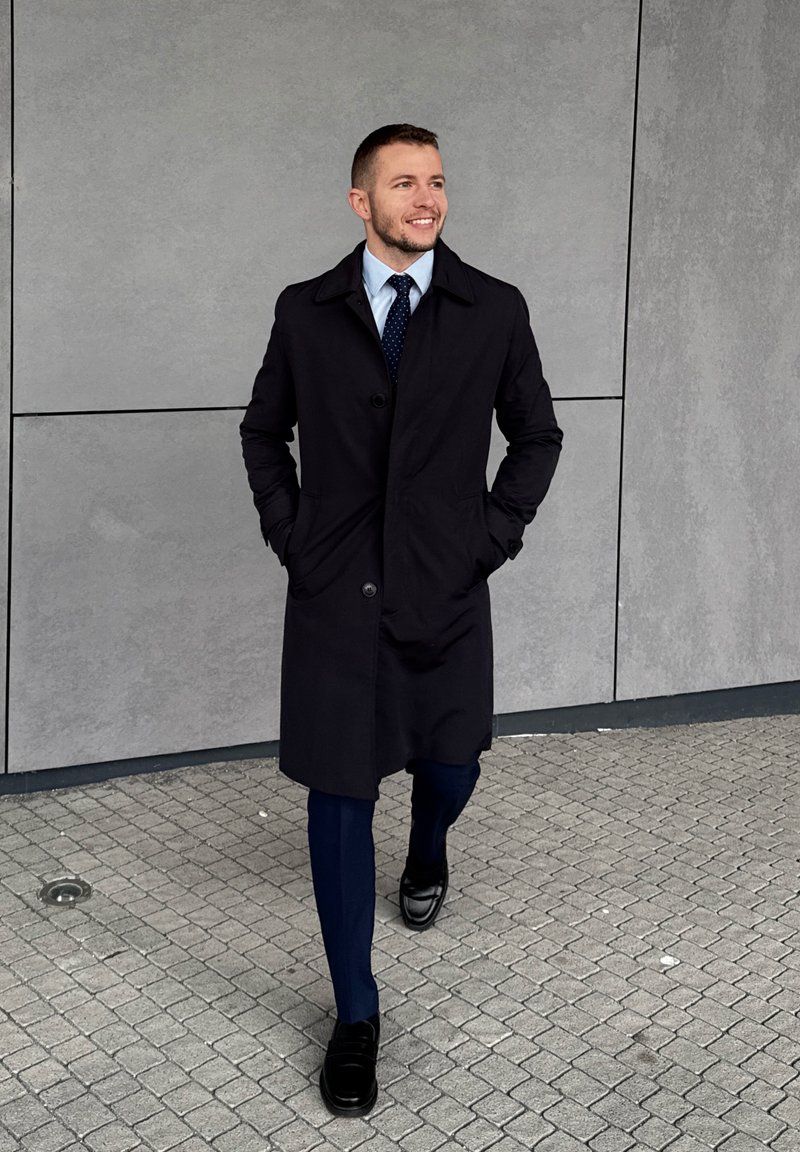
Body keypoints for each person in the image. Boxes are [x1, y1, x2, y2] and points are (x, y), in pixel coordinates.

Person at [240, 123, 563, 1117]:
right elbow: (263, 431)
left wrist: (489, 536)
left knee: (452, 764)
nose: (426, 198)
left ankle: (428, 846)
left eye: (435, 181)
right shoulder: (305, 313)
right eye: (403, 183)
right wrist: (296, 539)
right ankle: (354, 1014)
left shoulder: (491, 310)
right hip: (336, 601)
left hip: (446, 590)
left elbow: (536, 435)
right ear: (359, 203)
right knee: (338, 798)